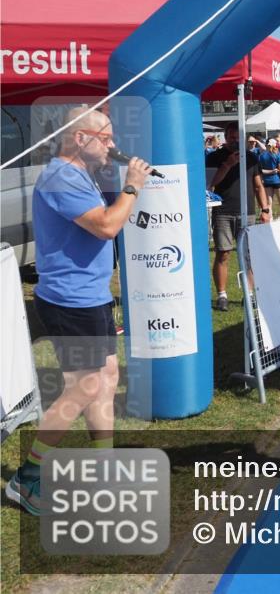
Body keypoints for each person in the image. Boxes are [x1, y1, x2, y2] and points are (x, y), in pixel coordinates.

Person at [6, 106, 152, 515]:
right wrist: (133, 186)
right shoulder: (59, 177)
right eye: (104, 138)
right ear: (79, 137)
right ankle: (28, 477)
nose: (111, 144)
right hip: (70, 300)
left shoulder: (79, 174)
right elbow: (107, 226)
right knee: (86, 386)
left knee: (106, 377)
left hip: (91, 296)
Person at [206, 122, 270, 311]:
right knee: (223, 253)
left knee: (248, 256)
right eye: (231, 137)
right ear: (225, 137)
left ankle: (249, 294)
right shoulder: (214, 157)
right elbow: (210, 184)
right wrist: (227, 165)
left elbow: (258, 185)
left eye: (237, 138)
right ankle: (222, 295)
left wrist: (265, 209)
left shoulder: (251, 157)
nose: (234, 141)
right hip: (223, 211)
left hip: (247, 212)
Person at [258, 138, 280, 220]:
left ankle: (270, 220)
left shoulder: (261, 156)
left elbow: (260, 171)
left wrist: (269, 172)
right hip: (277, 180)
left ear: (266, 145)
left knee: (269, 203)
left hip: (267, 181)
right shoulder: (278, 155)